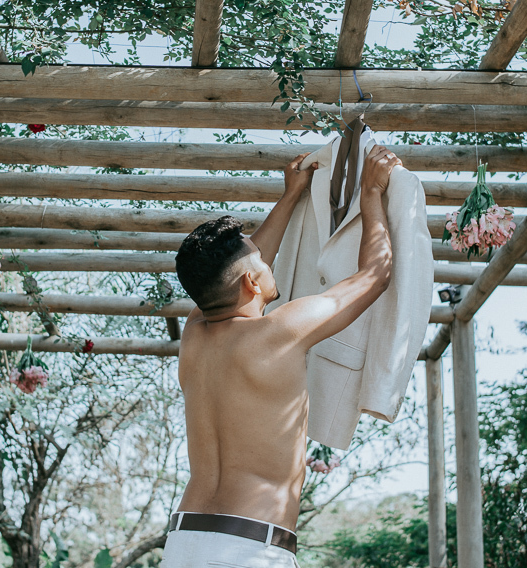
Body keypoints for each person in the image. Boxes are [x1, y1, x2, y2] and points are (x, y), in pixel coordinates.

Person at [162, 144, 402, 567]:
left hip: (184, 542)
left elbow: (233, 276)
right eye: (260, 260)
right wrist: (371, 192)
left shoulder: (194, 336)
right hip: (250, 549)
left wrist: (291, 195)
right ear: (253, 283)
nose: (265, 257)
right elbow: (374, 276)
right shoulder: (280, 331)